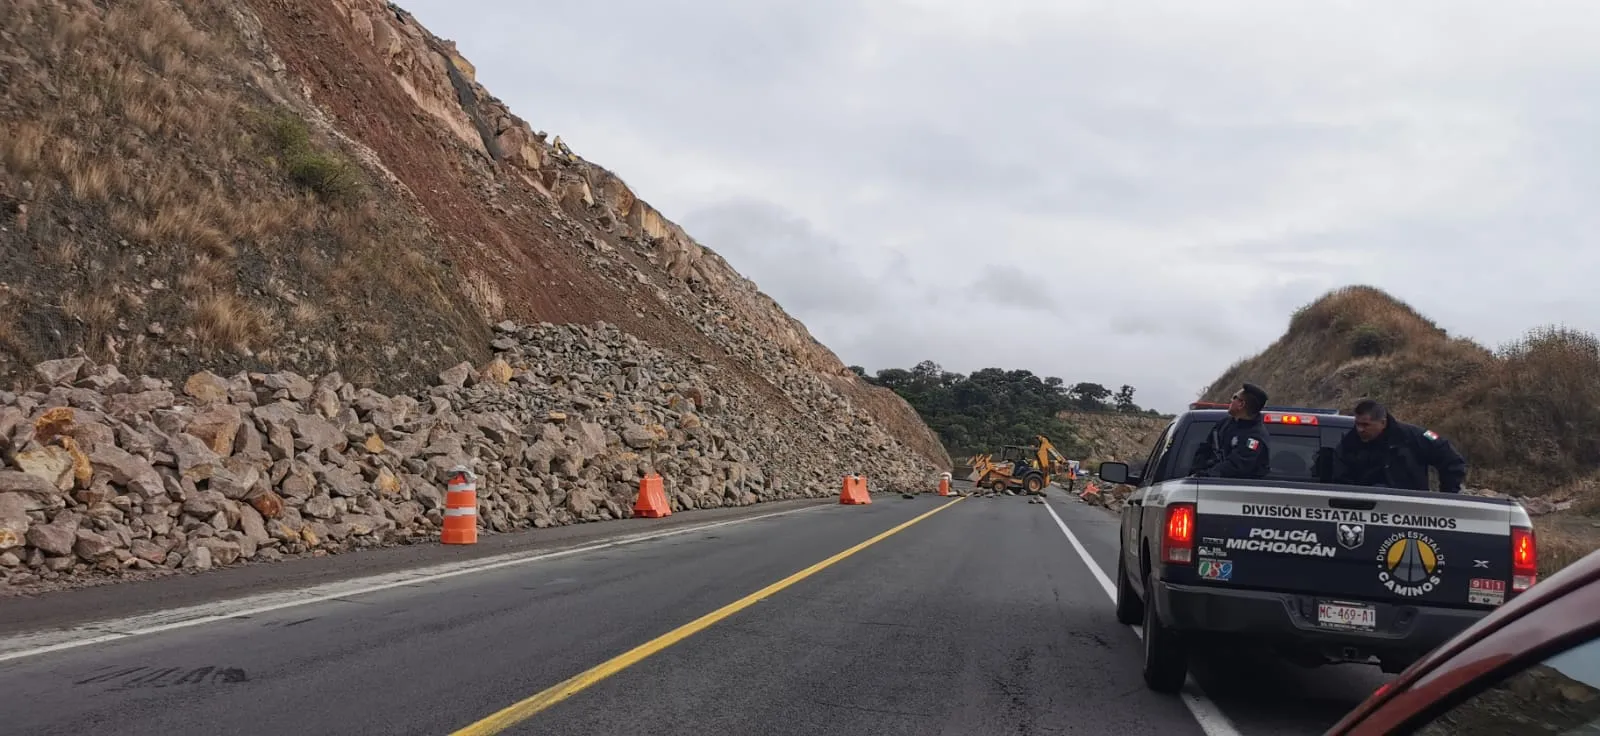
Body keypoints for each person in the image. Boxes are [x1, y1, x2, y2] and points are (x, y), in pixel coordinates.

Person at [1333, 399, 1468, 493]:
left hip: (1410, 511)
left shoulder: (1413, 437)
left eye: (1366, 425)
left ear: (1383, 423)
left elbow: (1450, 458)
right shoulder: (1349, 444)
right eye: (1357, 424)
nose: (1360, 429)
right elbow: (1338, 478)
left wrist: (1446, 495)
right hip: (1366, 511)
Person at [1191, 382, 1272, 479]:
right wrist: (1197, 470)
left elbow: (1236, 466)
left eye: (1234, 397)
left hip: (1239, 489)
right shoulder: (1224, 424)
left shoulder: (1255, 437)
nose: (1231, 400)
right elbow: (1205, 449)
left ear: (1241, 404)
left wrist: (1208, 475)